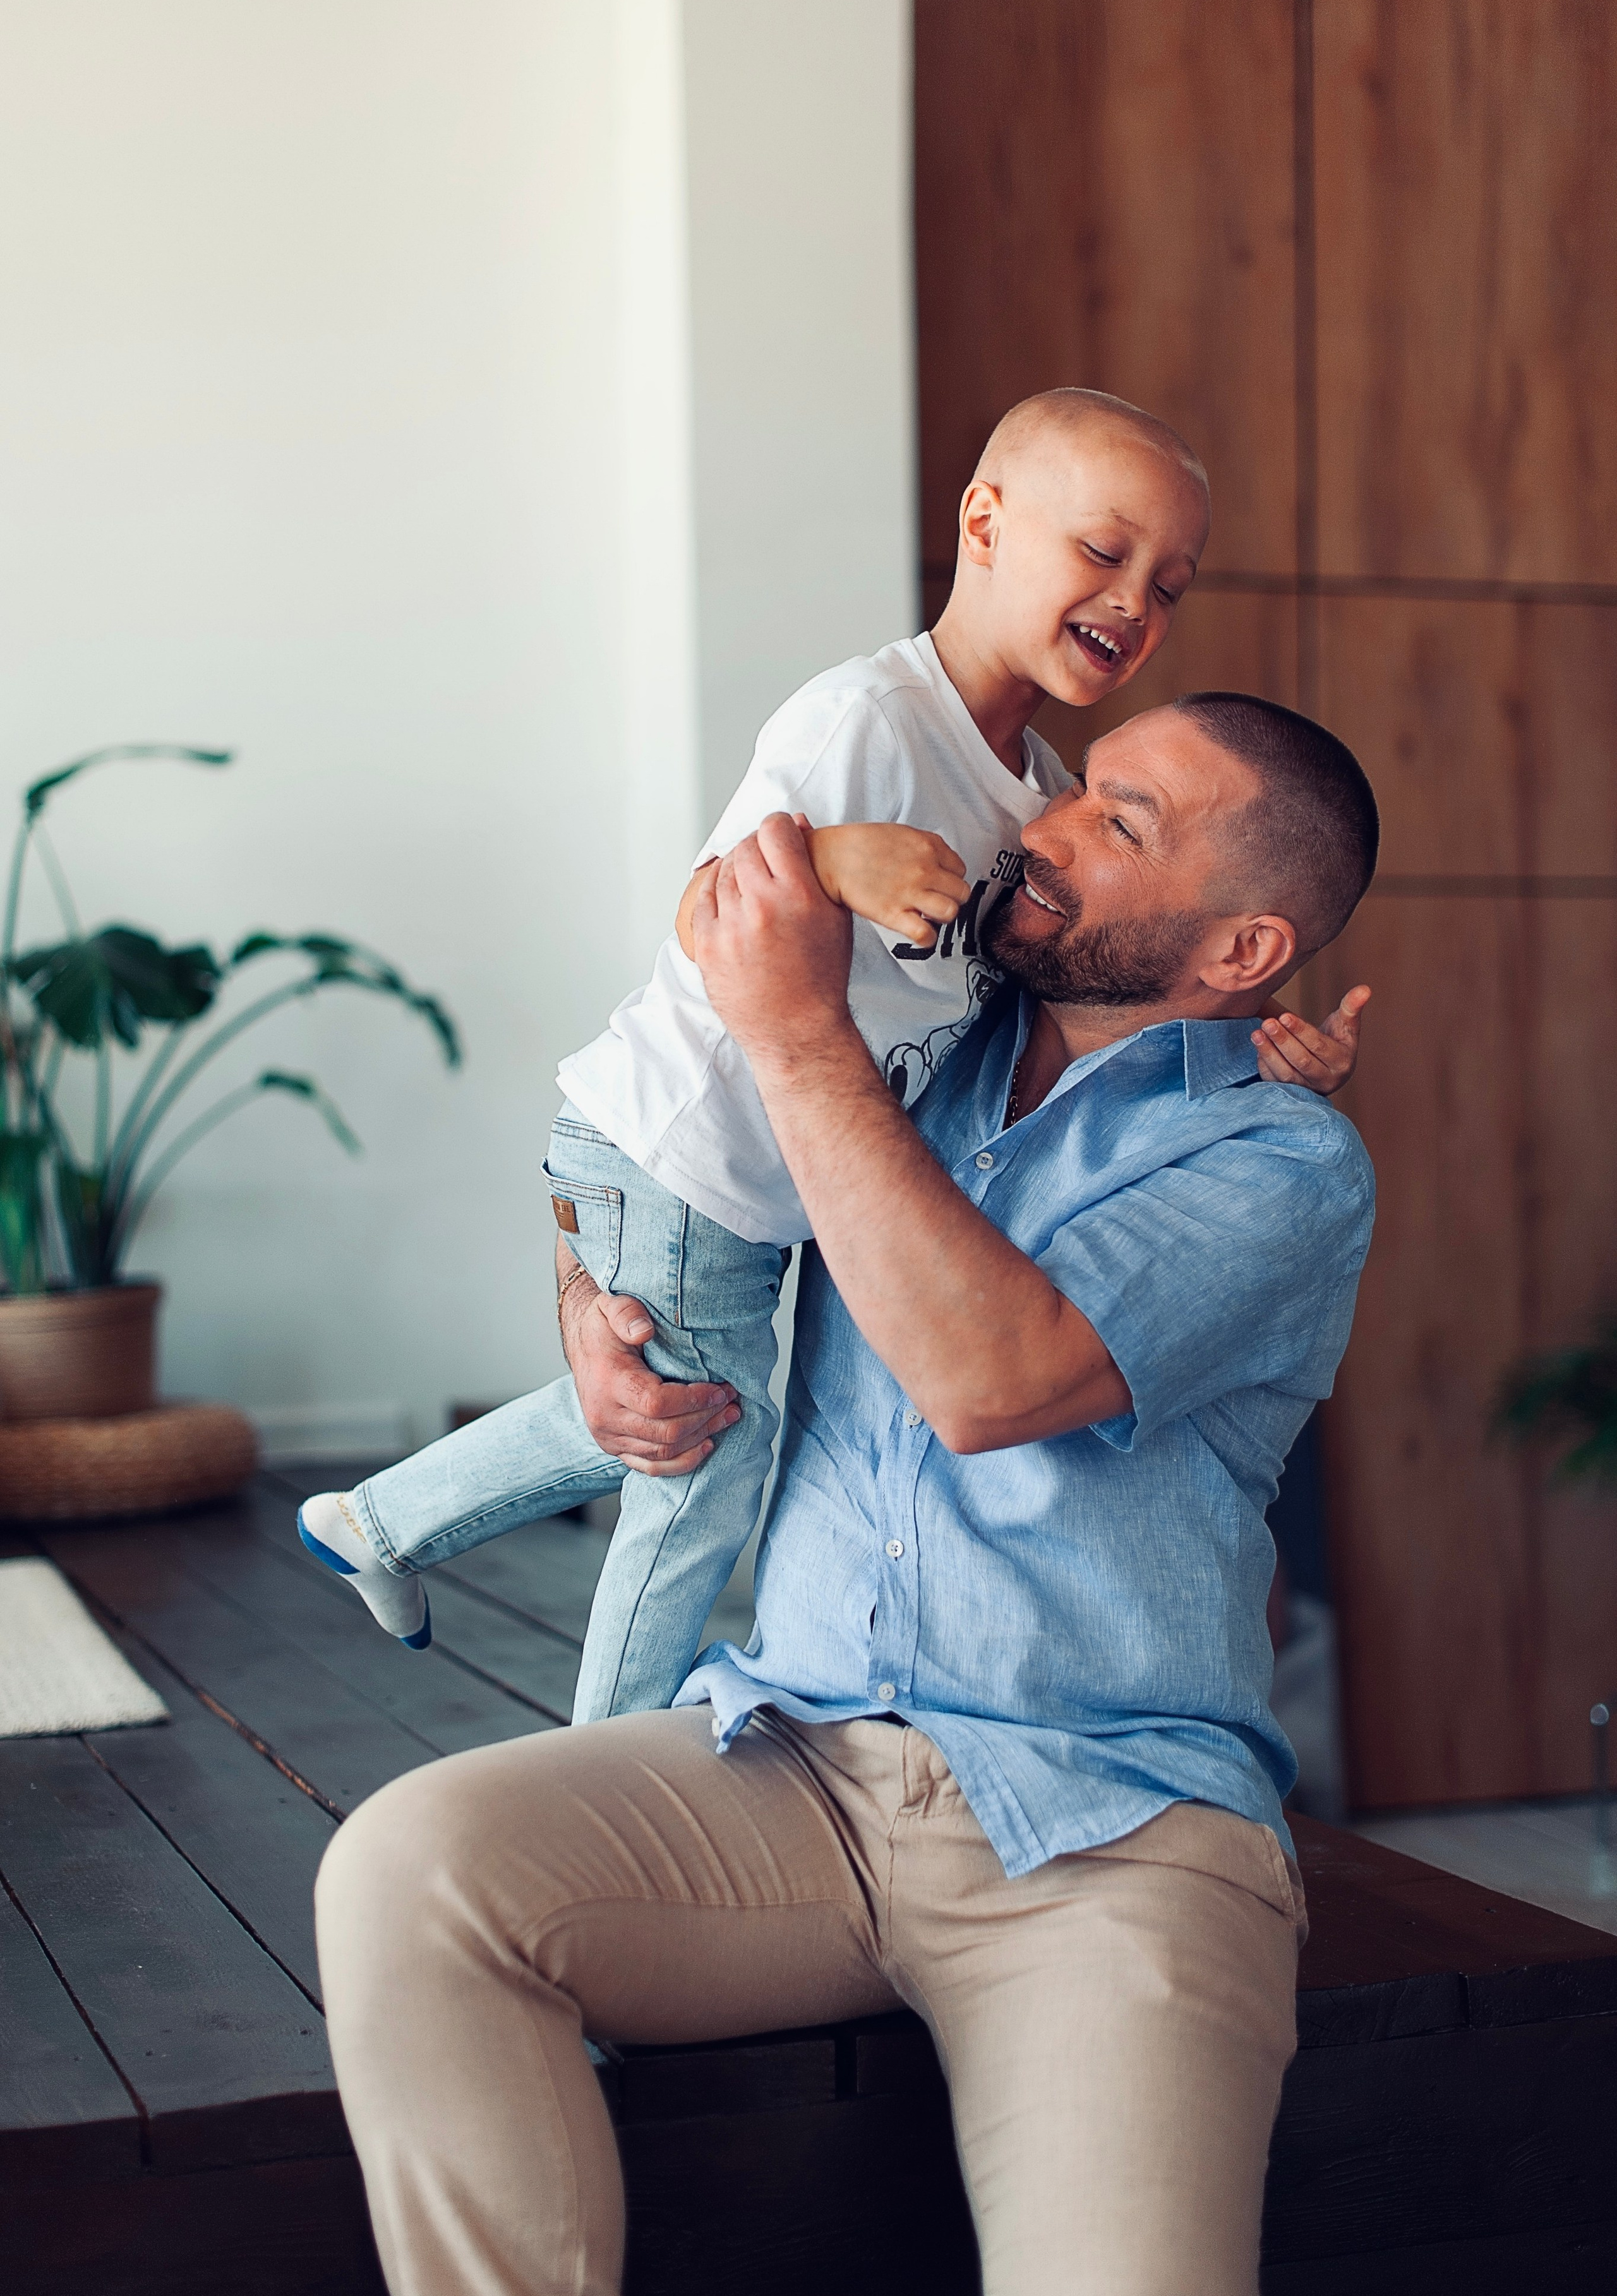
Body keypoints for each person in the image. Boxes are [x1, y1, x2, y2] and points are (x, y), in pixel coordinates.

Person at [316, 690, 1379, 2296]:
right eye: (1079, 789)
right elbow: (644, 1120)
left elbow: (988, 1376)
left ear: (1241, 951)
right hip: (791, 1768)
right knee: (410, 1868)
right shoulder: (915, 1040)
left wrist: (799, 1033)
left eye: (1119, 824)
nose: (1043, 827)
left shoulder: (1280, 1159)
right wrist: (587, 1306)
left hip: (1109, 1826)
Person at [296, 389, 1368, 1716]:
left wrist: (1257, 1051)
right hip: (687, 1149)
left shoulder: (1031, 794)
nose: (1132, 601)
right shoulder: (868, 720)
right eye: (1103, 552)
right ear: (984, 523)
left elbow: (1114, 985)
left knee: (684, 1411)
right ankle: (595, 1745)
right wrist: (831, 859)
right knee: (706, 1465)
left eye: (1168, 585)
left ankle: (382, 1524)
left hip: (748, 1188)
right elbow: (708, 914)